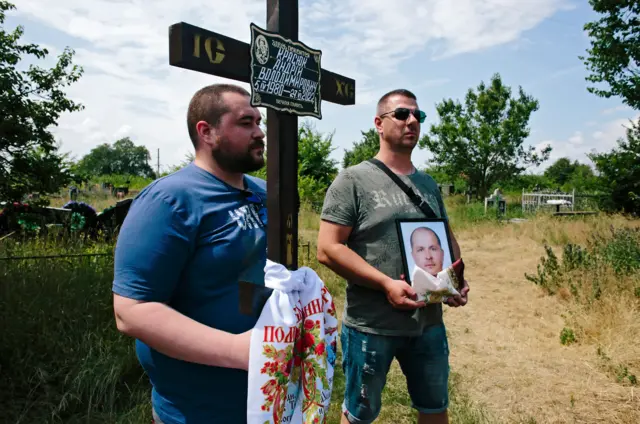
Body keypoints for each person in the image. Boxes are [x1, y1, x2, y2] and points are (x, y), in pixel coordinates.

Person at [112, 83, 268, 424]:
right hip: (197, 408)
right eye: (246, 122)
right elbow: (132, 311)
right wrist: (241, 350)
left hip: (269, 396)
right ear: (206, 131)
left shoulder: (266, 193)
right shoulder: (168, 200)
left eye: (259, 122)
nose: (260, 132)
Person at [317, 88, 470, 424]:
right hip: (372, 325)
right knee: (358, 415)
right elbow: (328, 249)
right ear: (379, 124)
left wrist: (455, 281)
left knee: (434, 408)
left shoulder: (428, 183)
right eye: (401, 114)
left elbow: (446, 236)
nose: (412, 121)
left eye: (418, 115)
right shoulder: (352, 180)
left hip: (428, 324)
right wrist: (386, 284)